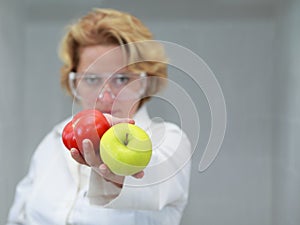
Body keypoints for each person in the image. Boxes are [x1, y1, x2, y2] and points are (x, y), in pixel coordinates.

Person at [7, 8, 191, 225]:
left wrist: (118, 174)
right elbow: (20, 217)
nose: (106, 97)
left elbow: (156, 178)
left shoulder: (168, 140)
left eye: (122, 79)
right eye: (92, 79)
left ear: (145, 83)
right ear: (74, 83)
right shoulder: (53, 141)